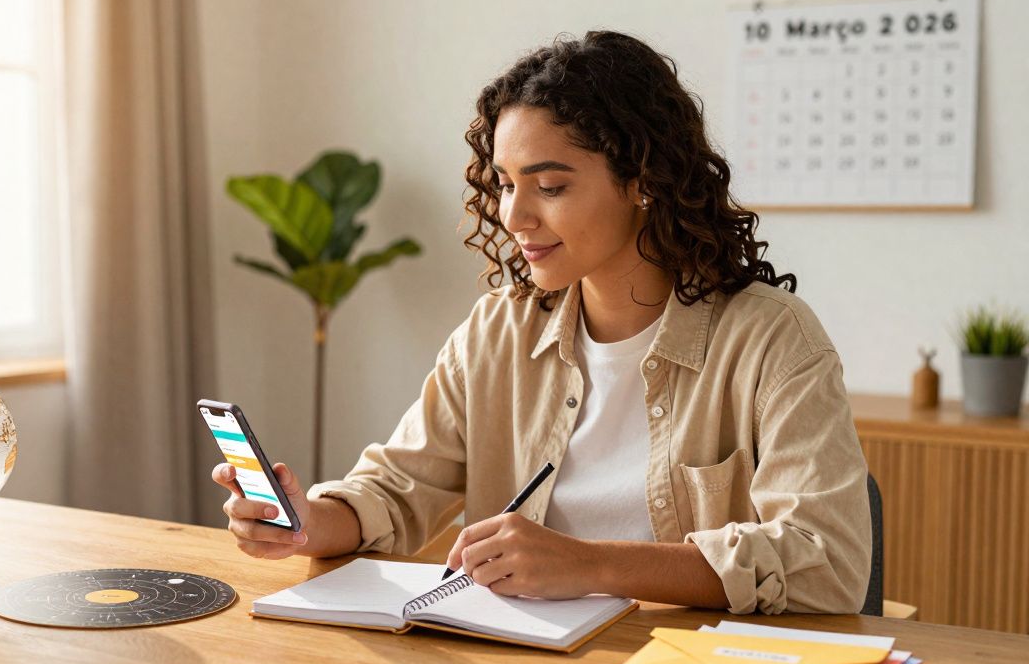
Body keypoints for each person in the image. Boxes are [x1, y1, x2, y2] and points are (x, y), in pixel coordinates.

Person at [211, 30, 871, 615]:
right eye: (503, 183)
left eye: (550, 187)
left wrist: (589, 565)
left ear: (642, 180)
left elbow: (828, 561)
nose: (514, 216)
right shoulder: (500, 329)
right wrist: (307, 522)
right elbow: (397, 488)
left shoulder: (773, 340)